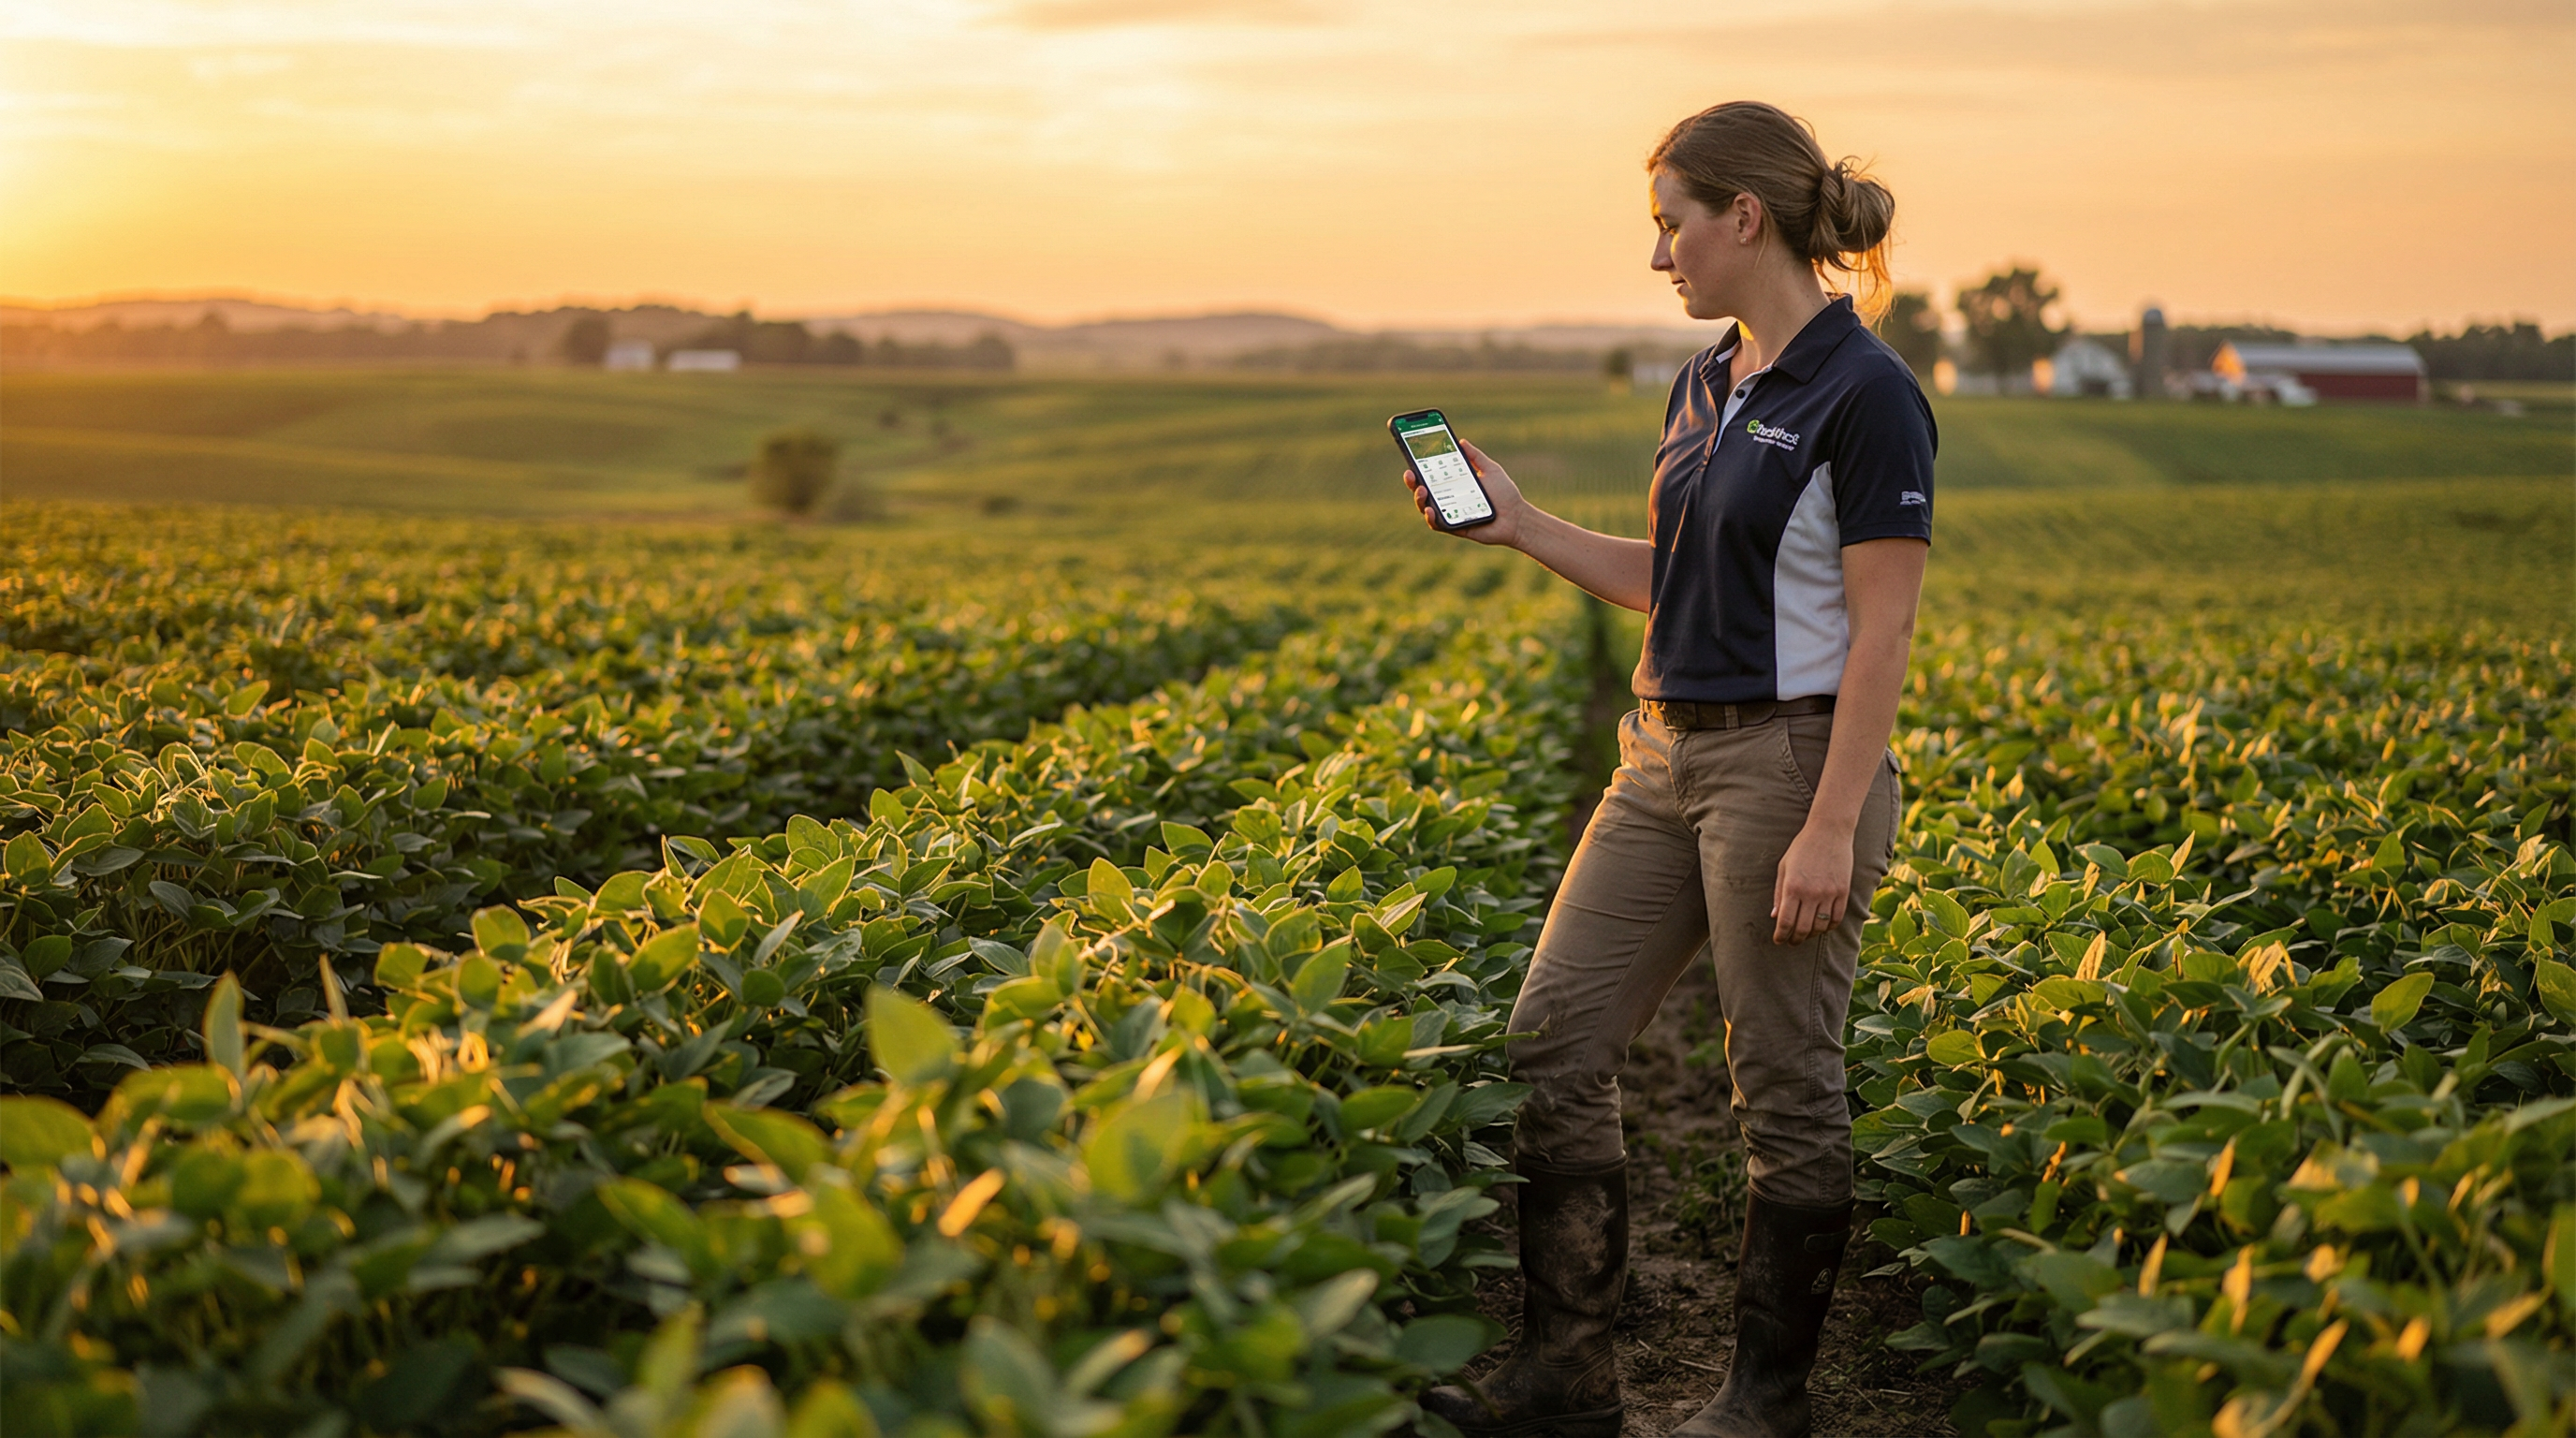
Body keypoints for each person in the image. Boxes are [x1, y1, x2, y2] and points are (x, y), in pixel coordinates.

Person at [1408, 101, 1933, 1438]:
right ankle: (1569, 1379)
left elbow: (1883, 629)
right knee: (1552, 1040)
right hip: (1658, 754)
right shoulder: (1704, 383)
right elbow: (1678, 584)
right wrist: (1519, 525)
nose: (1660, 258)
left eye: (1670, 224)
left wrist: (1827, 824)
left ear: (1742, 217)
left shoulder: (1865, 396)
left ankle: (1766, 1403)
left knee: (1783, 1087)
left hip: (1790, 761)